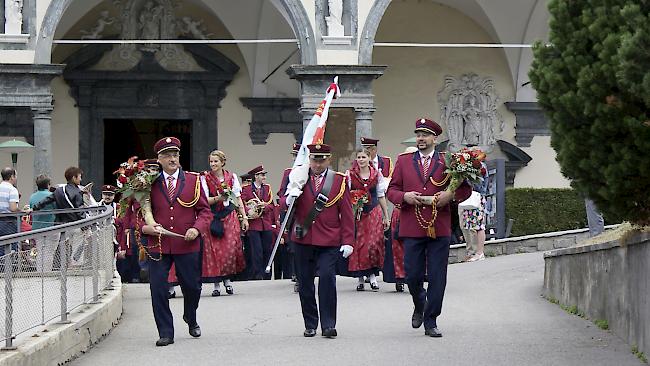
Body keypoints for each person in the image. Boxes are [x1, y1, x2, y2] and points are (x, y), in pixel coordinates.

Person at [387, 118, 471, 338]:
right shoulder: (404, 161)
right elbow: (391, 190)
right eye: (418, 135)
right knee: (412, 275)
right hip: (412, 226)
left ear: (435, 138)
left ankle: (431, 319)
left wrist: (450, 195)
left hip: (439, 226)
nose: (421, 139)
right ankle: (419, 302)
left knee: (437, 275)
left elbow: (465, 190)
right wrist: (404, 196)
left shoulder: (449, 161)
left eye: (425, 135)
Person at [139, 137, 212, 347]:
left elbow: (205, 212)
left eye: (175, 155)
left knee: (192, 287)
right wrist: (146, 228)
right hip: (158, 245)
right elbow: (138, 214)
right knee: (158, 288)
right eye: (167, 155)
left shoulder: (193, 180)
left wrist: (196, 229)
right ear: (159, 159)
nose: (172, 158)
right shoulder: (147, 182)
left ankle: (191, 316)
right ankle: (165, 332)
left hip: (187, 243)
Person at [282, 143, 354, 338]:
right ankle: (310, 323)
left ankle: (329, 324)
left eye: (322, 159)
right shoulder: (298, 176)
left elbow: (346, 212)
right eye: (314, 159)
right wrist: (290, 198)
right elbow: (282, 203)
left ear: (328, 159)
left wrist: (348, 240)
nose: (317, 164)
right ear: (309, 159)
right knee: (305, 283)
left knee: (327, 280)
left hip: (329, 239)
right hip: (302, 237)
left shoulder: (338, 180)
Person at [198, 150, 247, 296]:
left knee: (230, 250)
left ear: (222, 162)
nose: (213, 164)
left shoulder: (232, 177)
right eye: (211, 161)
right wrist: (219, 198)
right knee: (214, 252)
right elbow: (204, 199)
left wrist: (243, 217)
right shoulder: (205, 178)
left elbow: (237, 198)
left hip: (229, 216)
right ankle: (216, 284)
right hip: (212, 216)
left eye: (216, 161)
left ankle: (228, 280)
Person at [345, 149, 390, 291]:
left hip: (373, 211)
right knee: (359, 244)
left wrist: (386, 215)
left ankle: (372, 276)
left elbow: (381, 195)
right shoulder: (350, 175)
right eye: (358, 157)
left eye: (363, 157)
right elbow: (346, 194)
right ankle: (360, 278)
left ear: (369, 158)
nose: (361, 159)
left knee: (373, 243)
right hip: (357, 213)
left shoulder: (376, 174)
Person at [383, 146, 416, 292]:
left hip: (418, 214)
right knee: (398, 247)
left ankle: (415, 277)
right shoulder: (399, 171)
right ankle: (399, 277)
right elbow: (392, 191)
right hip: (400, 213)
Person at [240, 165, 275, 280]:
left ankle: (267, 274)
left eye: (264, 175)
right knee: (257, 251)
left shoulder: (268, 188)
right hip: (254, 224)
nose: (264, 177)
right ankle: (258, 274)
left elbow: (271, 205)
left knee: (267, 249)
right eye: (262, 175)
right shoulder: (247, 189)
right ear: (256, 176)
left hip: (266, 224)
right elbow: (241, 204)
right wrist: (250, 212)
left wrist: (263, 208)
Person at [463, 160, 489, 262]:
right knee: (471, 226)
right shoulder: (473, 166)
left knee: (479, 226)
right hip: (472, 198)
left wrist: (468, 178)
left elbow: (479, 186)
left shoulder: (480, 167)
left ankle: (480, 252)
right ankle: (476, 252)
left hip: (477, 198)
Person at [0, 167, 20, 255]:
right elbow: (13, 208)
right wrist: (22, 211)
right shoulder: (12, 189)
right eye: (16, 176)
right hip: (9, 221)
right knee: (10, 247)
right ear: (12, 176)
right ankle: (8, 268)